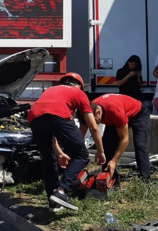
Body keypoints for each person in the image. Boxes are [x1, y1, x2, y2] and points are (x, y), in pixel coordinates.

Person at [28, 72, 106, 211]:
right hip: (58, 116)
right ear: (80, 86)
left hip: (34, 117)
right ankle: (62, 191)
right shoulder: (79, 93)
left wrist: (58, 153)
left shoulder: (51, 90)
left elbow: (48, 120)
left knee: (48, 159)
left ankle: (53, 202)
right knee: (81, 156)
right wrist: (100, 151)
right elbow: (93, 127)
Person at [91, 94, 151, 179]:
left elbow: (124, 139)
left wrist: (114, 160)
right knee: (107, 144)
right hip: (117, 113)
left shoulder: (115, 112)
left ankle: (145, 178)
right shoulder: (90, 109)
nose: (94, 123)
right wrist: (99, 150)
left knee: (140, 145)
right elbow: (91, 130)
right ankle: (108, 177)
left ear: (98, 113)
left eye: (94, 120)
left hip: (138, 114)